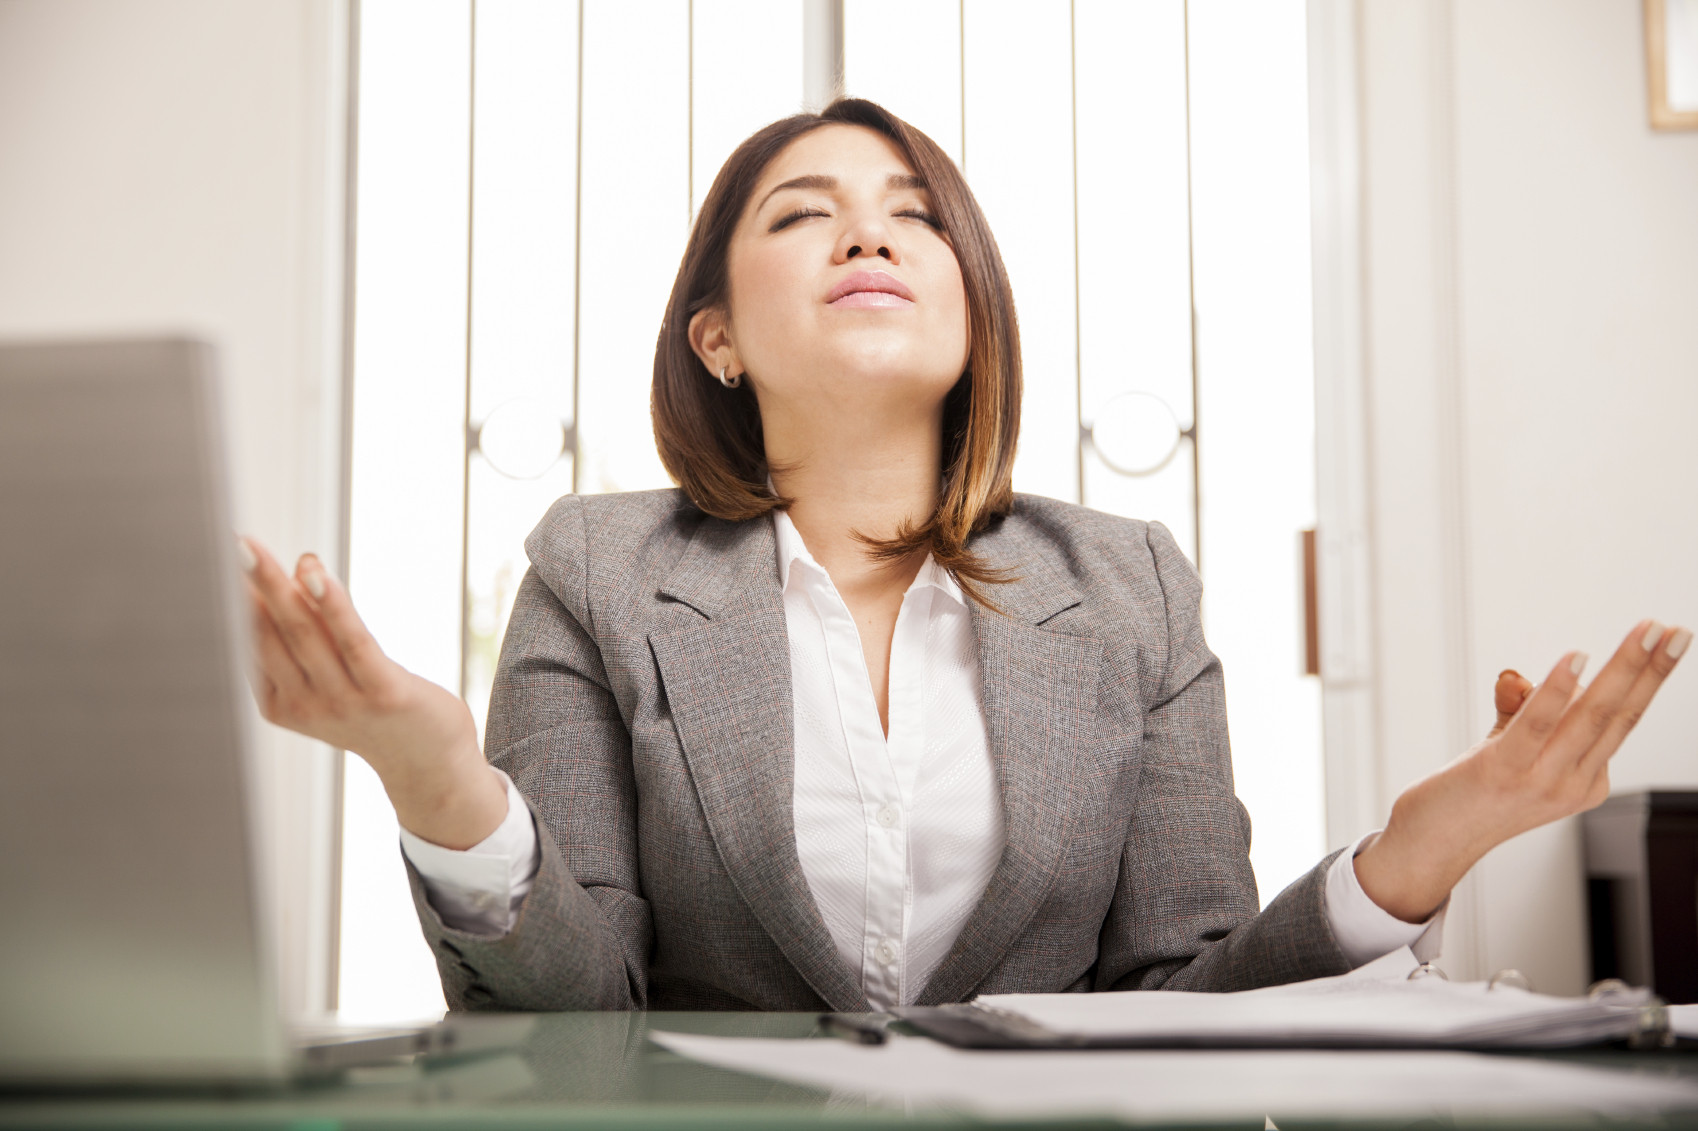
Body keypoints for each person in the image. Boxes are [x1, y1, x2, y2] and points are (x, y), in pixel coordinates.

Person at [239, 99, 1688, 1012]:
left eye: (913, 217)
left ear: (970, 307)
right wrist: (433, 775)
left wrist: (1421, 853)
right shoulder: (596, 568)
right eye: (803, 215)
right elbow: (576, 1002)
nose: (867, 231)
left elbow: (1191, 997)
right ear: (718, 339)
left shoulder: (1132, 584)